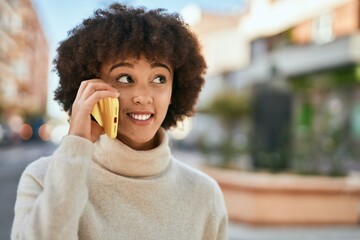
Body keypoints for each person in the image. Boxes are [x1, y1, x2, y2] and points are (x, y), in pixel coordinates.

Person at [11, 3, 228, 239]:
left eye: (159, 78)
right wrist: (77, 143)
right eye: (125, 78)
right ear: (90, 86)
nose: (143, 96)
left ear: (174, 89)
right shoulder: (42, 179)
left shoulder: (204, 194)